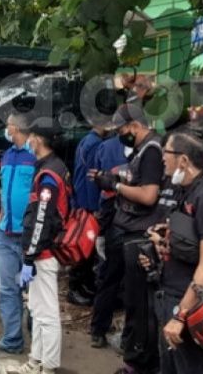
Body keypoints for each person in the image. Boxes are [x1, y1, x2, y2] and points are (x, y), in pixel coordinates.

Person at [143, 132, 203, 374]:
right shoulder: (182, 190)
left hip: (193, 306)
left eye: (167, 152)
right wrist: (162, 243)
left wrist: (181, 316)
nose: (162, 157)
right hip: (170, 295)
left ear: (183, 161)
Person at [91, 103, 163, 374]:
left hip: (142, 234)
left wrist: (116, 186)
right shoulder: (143, 151)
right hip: (131, 231)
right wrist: (111, 178)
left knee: (141, 304)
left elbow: (148, 195)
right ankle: (135, 360)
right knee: (133, 300)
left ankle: (140, 362)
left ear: (134, 125)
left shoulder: (152, 151)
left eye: (122, 130)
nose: (120, 135)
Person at [9, 124, 70, 374]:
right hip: (39, 252)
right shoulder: (48, 168)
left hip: (44, 253)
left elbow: (42, 219)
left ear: (39, 140)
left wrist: (30, 257)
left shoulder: (49, 175)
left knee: (47, 314)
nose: (29, 141)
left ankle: (49, 366)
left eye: (31, 137)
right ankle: (35, 362)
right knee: (36, 309)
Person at [0, 114, 36, 355]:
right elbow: (7, 190)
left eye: (8, 126)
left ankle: (40, 346)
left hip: (28, 235)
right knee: (7, 289)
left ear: (15, 128)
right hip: (5, 233)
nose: (6, 130)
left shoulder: (34, 155)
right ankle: (12, 340)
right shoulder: (7, 155)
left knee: (34, 294)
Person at [89, 123, 130, 348]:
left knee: (109, 275)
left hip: (110, 214)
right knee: (126, 278)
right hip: (127, 216)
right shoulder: (149, 150)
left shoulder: (105, 148)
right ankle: (128, 337)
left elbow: (95, 179)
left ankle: (98, 330)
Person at [68, 118, 109, 306]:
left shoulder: (86, 141)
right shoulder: (96, 145)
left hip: (82, 200)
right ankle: (77, 287)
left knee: (84, 245)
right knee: (85, 247)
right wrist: (95, 207)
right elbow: (93, 179)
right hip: (88, 203)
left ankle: (81, 285)